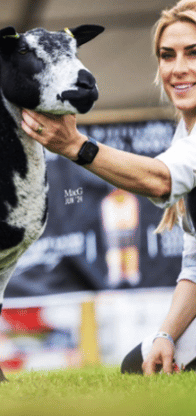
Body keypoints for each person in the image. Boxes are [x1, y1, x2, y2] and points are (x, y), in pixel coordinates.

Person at [21, 0, 196, 375]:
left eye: (193, 53)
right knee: (139, 367)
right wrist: (166, 334)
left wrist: (74, 146)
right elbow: (195, 266)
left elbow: (160, 180)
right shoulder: (184, 135)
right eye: (168, 55)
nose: (179, 68)